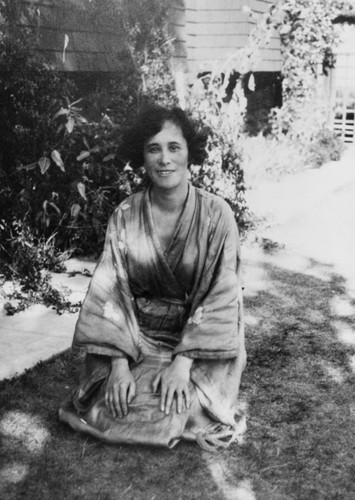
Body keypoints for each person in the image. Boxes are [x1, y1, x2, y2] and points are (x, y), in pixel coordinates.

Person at [59, 104, 246, 450]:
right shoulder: (126, 215)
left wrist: (183, 364)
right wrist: (117, 365)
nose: (164, 159)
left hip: (198, 343)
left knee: (181, 404)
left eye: (174, 147)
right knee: (112, 402)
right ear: (142, 156)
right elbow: (110, 292)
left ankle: (192, 399)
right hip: (136, 340)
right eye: (153, 148)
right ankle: (134, 383)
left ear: (190, 152)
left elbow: (222, 294)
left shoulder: (217, 215)